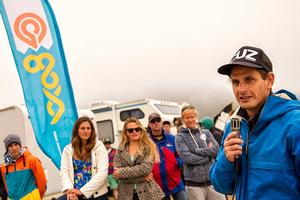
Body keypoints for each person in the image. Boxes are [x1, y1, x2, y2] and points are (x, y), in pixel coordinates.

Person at [210, 46, 300, 200]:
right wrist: (227, 159)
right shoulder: (233, 125)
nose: (241, 89)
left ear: (269, 80)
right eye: (235, 82)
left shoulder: (294, 124)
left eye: (249, 79)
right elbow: (221, 186)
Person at [175, 105, 225, 200]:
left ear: (196, 117)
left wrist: (197, 151)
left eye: (192, 117)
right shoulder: (180, 136)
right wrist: (208, 157)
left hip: (212, 181)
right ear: (183, 119)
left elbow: (216, 149)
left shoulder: (206, 133)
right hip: (194, 185)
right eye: (187, 117)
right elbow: (187, 157)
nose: (190, 120)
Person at [113, 117, 164, 200]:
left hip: (147, 193)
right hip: (125, 194)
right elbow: (116, 174)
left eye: (137, 129)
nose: (134, 132)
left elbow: (145, 169)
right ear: (126, 132)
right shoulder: (121, 148)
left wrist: (122, 172)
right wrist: (142, 178)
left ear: (141, 130)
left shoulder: (149, 147)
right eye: (130, 130)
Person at [58, 116, 109, 200]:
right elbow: (64, 172)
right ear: (76, 131)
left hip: (96, 194)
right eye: (82, 128)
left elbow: (102, 173)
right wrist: (70, 191)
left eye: (88, 128)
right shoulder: (68, 149)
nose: (86, 131)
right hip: (75, 193)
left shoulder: (99, 146)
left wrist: (82, 191)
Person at [148, 113, 188, 200]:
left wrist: (177, 162)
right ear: (149, 124)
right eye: (153, 121)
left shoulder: (172, 138)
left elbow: (181, 156)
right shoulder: (146, 142)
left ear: (161, 122)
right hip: (158, 184)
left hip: (176, 182)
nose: (156, 123)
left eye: (158, 120)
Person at [0, 134, 47, 199]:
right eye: (10, 146)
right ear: (7, 149)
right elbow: (7, 187)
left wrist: (37, 197)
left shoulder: (32, 160)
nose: (14, 148)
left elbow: (42, 184)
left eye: (16, 144)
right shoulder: (4, 167)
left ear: (20, 145)